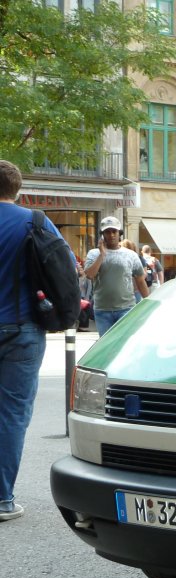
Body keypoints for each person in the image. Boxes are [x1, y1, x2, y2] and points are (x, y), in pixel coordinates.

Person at [0, 159, 66, 522]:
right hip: (22, 328)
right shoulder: (36, 222)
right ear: (17, 189)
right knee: (11, 414)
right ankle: (2, 499)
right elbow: (65, 268)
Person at [84, 217, 148, 336]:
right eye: (107, 232)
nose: (111, 235)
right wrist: (102, 255)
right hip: (102, 310)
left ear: (120, 233)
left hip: (126, 308)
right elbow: (89, 275)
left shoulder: (131, 255)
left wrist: (149, 302)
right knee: (106, 344)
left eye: (114, 231)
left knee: (123, 343)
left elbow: (140, 280)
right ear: (102, 235)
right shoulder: (93, 254)